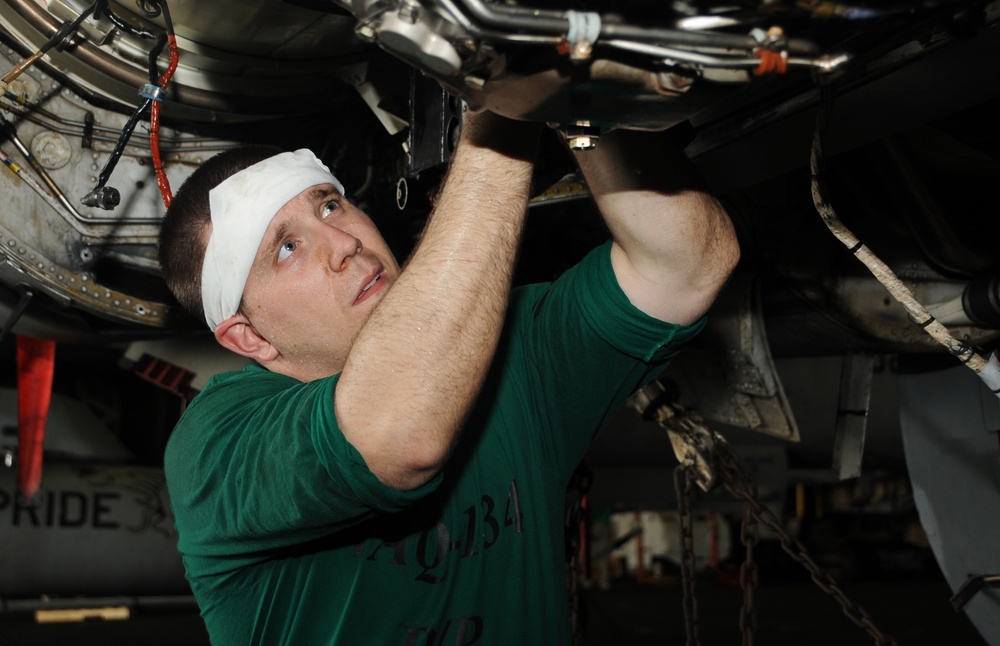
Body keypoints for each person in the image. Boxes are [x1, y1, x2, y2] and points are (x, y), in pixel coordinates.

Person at [158, 109, 739, 645]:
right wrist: (503, 118)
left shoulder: (507, 352)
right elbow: (397, 437)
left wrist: (579, 104)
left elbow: (688, 263)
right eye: (287, 248)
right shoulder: (217, 444)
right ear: (250, 338)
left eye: (330, 205)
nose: (343, 242)